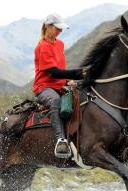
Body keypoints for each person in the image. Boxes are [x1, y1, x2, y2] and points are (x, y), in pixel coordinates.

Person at [33, 13, 86, 158]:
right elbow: (53, 72)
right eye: (57, 28)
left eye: (61, 28)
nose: (60, 31)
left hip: (60, 84)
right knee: (55, 100)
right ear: (48, 26)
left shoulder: (60, 44)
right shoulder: (42, 47)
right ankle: (60, 140)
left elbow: (60, 69)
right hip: (43, 87)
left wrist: (68, 80)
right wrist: (78, 73)